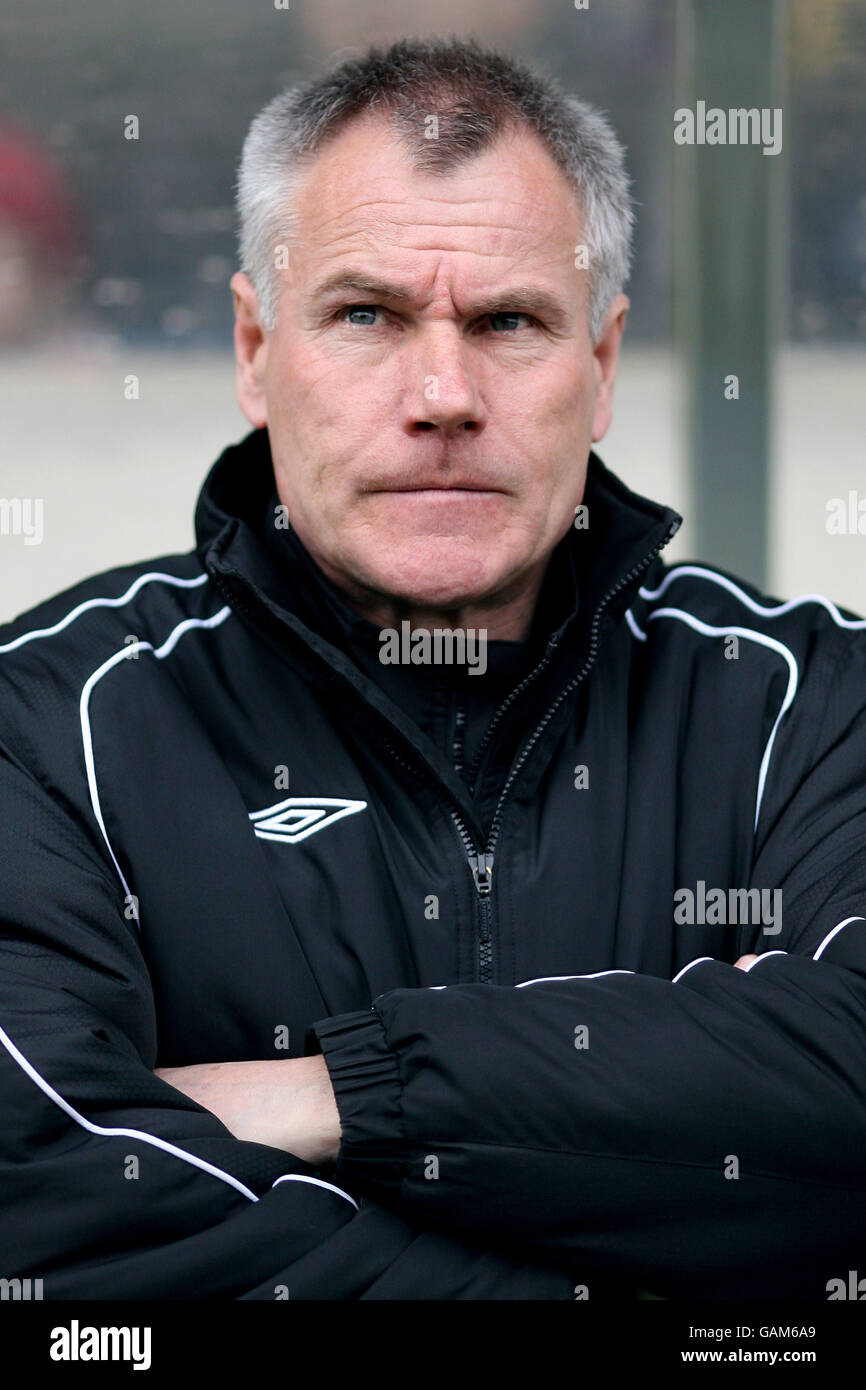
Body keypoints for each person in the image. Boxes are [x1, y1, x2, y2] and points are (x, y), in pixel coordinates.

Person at [1, 35, 864, 1301]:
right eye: (366, 314)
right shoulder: (47, 731)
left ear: (602, 362)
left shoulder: (810, 703)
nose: (444, 393)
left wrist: (339, 1097)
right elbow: (49, 1200)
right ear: (254, 349)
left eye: (509, 321)